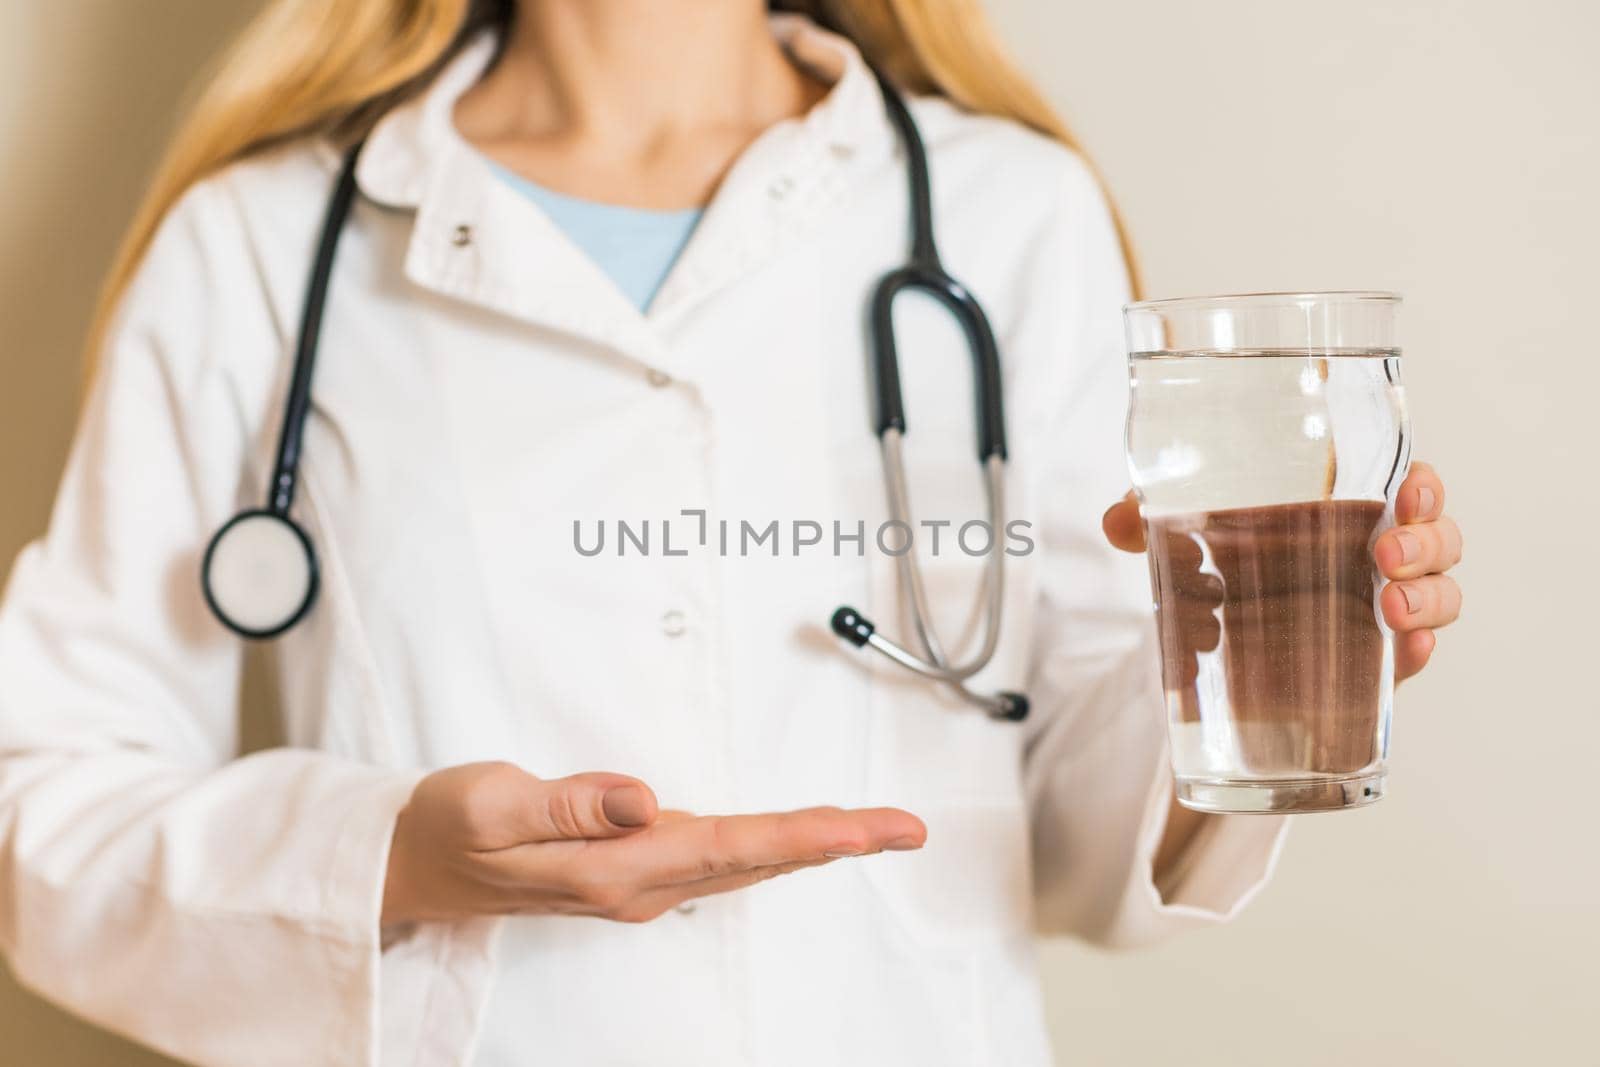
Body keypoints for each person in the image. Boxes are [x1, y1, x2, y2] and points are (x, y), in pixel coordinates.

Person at [0, 1, 1464, 1064]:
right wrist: (393, 856)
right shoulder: (260, 244)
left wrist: (1262, 684)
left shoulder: (1006, 209)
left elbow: (1089, 839)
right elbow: (43, 805)